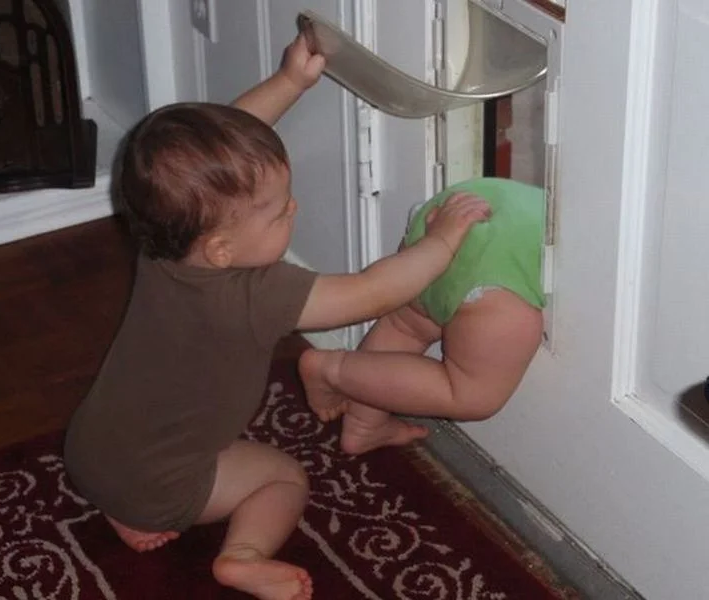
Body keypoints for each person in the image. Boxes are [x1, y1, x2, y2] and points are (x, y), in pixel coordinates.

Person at [63, 33, 492, 600]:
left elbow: (223, 153)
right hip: (161, 483)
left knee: (151, 456)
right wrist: (443, 240)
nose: (295, 207)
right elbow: (371, 293)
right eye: (278, 213)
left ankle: (124, 508)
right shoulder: (255, 293)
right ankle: (242, 556)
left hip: (90, 450)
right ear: (222, 249)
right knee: (284, 477)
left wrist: (290, 82)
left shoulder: (164, 240)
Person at [299, 177, 546, 456]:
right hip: (496, 275)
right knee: (470, 394)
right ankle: (333, 371)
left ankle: (363, 425)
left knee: (404, 327)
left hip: (448, 215)